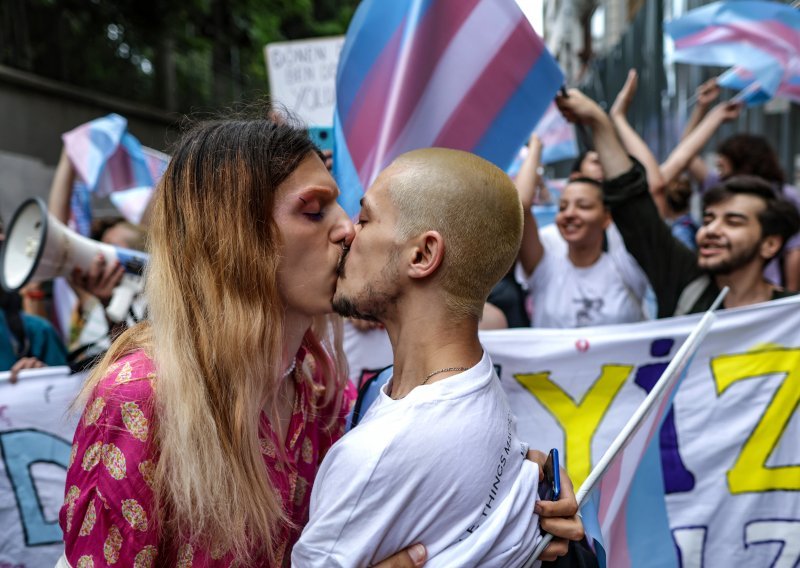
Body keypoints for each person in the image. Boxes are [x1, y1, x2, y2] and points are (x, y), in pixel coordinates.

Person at [58, 117, 580, 567]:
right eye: (314, 212)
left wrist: (522, 496)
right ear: (236, 239)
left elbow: (412, 456)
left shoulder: (316, 380)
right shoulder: (138, 400)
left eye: (346, 209)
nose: (348, 230)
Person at [293, 148, 583, 566]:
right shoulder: (467, 380)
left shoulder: (377, 453)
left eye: (365, 218)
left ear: (422, 255)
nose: (347, 233)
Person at [556, 88, 800, 316]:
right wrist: (600, 124)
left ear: (769, 244)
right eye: (708, 219)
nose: (711, 230)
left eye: (733, 222)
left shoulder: (789, 317)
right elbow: (632, 205)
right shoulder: (683, 284)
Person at [514, 135, 649, 328]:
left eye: (583, 206)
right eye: (562, 207)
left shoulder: (625, 266)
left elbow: (649, 190)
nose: (569, 214)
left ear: (607, 218)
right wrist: (535, 147)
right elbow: (520, 206)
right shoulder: (545, 269)